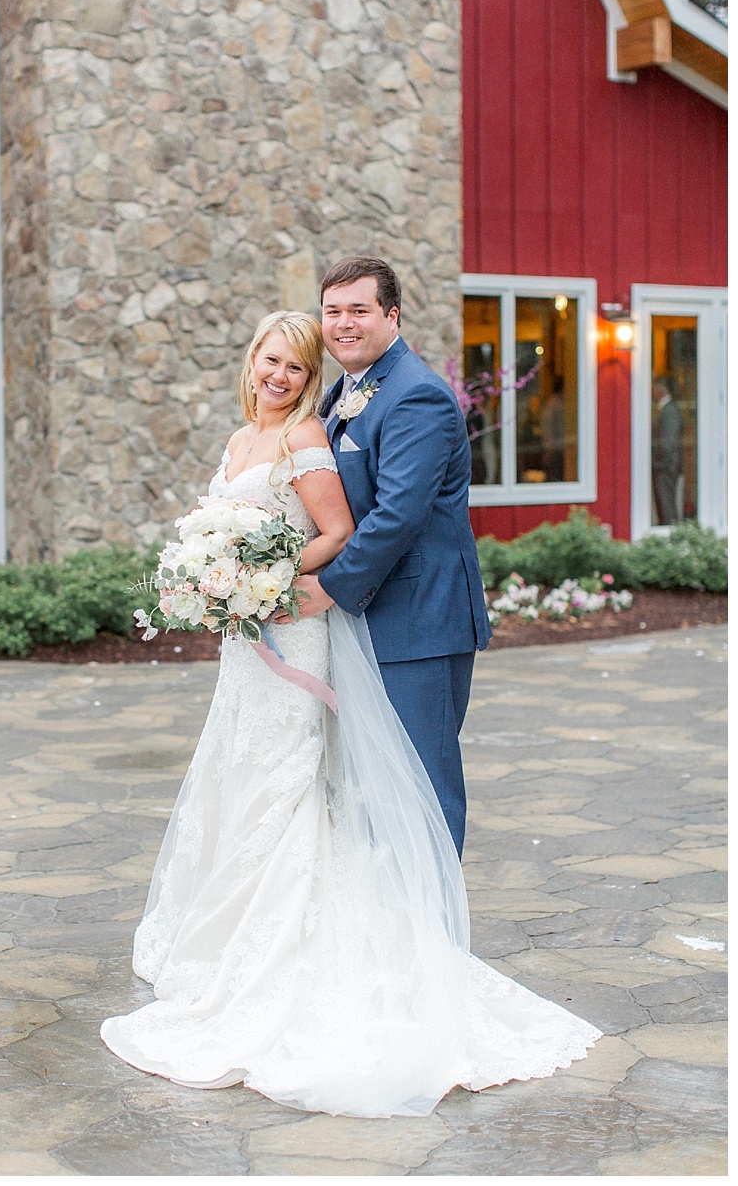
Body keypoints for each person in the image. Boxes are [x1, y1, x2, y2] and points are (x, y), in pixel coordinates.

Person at [101, 307, 600, 1117]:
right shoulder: (253, 437)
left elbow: (353, 524)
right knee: (246, 776)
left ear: (383, 320)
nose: (282, 375)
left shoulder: (326, 429)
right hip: (250, 644)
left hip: (298, 626)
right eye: (275, 358)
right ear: (251, 359)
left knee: (315, 782)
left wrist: (263, 582)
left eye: (297, 366)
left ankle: (411, 951)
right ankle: (237, 940)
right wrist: (211, 581)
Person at [293, 255, 491, 856]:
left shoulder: (417, 396)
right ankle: (386, 927)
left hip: (418, 619)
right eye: (333, 311)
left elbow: (398, 515)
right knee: (372, 782)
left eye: (360, 310)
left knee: (421, 781)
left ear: (392, 315)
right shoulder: (342, 393)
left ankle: (430, 940)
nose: (344, 323)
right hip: (370, 618)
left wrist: (327, 586)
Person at [652, 376, 684, 524]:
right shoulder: (666, 410)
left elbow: (669, 443)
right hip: (665, 465)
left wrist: (659, 464)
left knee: (667, 503)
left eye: (654, 389)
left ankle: (670, 531)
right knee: (663, 503)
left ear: (660, 390)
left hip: (666, 466)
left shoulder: (670, 411)